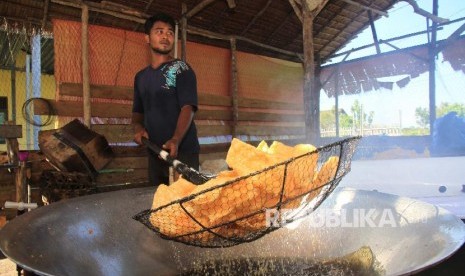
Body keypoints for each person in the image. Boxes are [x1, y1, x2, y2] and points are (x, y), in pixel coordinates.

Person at [132, 12, 200, 186]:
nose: (165, 36)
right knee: (159, 203)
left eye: (170, 32)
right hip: (155, 153)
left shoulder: (181, 69)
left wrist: (176, 139)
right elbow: (138, 112)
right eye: (159, 31)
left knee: (186, 204)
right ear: (147, 38)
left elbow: (188, 107)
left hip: (182, 152)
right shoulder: (140, 77)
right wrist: (139, 129)